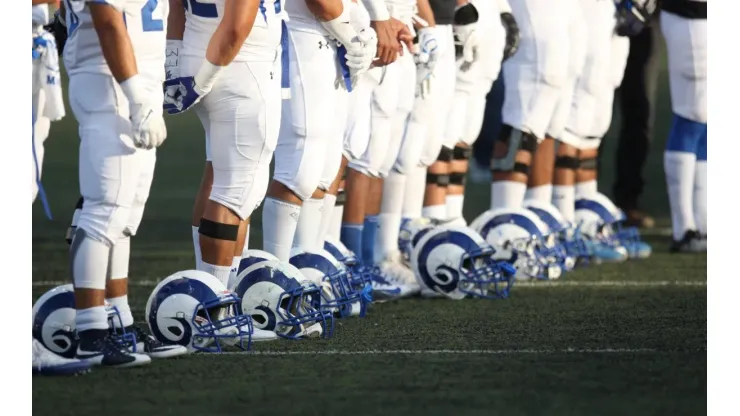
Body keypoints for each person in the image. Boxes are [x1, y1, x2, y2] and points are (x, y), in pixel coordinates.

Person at [65, 0, 186, 367]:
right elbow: (108, 22)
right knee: (105, 207)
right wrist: (136, 96)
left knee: (125, 213)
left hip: (136, 78)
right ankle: (91, 332)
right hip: (109, 79)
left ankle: (119, 321)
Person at [164, 0, 284, 289]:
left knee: (220, 174)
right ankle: (214, 304)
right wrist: (202, 81)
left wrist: (173, 64)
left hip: (203, 54)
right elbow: (234, 28)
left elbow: (175, 6)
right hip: (235, 63)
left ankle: (218, 288)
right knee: (237, 191)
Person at [660, 0, 706, 252]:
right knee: (693, 113)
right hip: (691, 14)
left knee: (707, 118)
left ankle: (704, 220)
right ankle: (683, 227)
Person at [610, 18, 663, 229]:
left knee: (640, 112)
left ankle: (627, 201)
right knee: (585, 113)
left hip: (642, 21)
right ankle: (578, 197)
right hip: (596, 11)